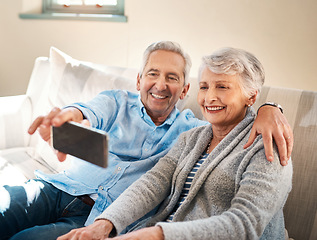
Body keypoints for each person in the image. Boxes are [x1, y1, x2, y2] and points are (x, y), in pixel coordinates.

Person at [0, 42, 292, 240]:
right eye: (153, 73)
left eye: (172, 77)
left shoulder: (199, 131)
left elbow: (246, 220)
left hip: (103, 215)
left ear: (183, 89)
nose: (161, 84)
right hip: (60, 188)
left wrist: (270, 108)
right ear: (139, 80)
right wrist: (69, 117)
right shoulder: (124, 104)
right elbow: (91, 114)